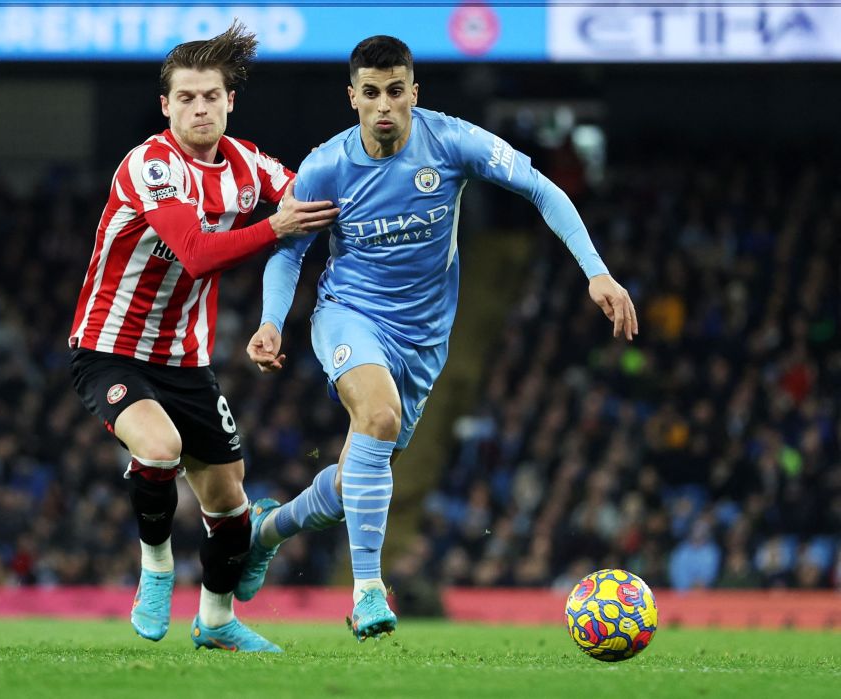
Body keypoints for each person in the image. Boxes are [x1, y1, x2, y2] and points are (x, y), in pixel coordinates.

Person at [240, 35, 638, 641]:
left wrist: (596, 271)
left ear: (413, 93)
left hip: (424, 341)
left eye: (395, 91)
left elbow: (539, 187)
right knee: (377, 415)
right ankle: (369, 591)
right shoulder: (326, 166)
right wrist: (271, 321)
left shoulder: (450, 141)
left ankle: (266, 530)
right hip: (349, 315)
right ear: (352, 97)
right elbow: (288, 253)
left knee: (356, 482)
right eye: (370, 93)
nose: (383, 106)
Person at [68, 21, 338, 653]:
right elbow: (193, 253)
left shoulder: (249, 164)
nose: (199, 108)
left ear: (229, 101)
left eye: (210, 97)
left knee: (230, 501)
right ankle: (156, 569)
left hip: (185, 361)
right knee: (158, 447)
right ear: (166, 105)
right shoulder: (151, 165)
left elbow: (312, 201)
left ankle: (216, 622)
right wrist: (275, 226)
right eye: (186, 98)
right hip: (109, 348)